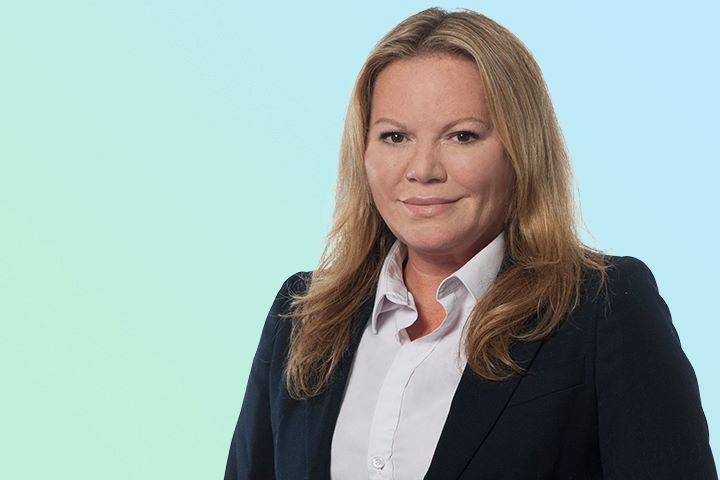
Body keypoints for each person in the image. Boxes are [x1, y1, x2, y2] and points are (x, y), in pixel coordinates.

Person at [224, 7, 717, 480]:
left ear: (520, 149)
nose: (423, 170)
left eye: (462, 136)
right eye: (395, 137)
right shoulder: (303, 314)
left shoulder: (604, 308)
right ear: (364, 150)